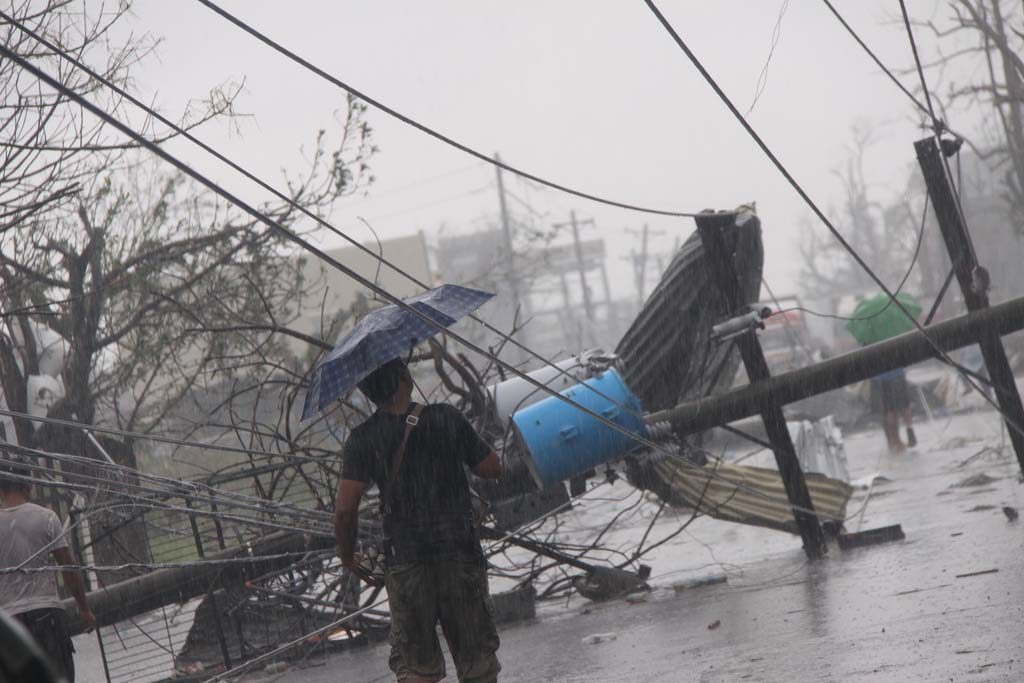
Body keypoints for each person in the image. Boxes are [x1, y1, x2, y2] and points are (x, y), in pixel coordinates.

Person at [334, 358, 502, 683]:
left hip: (406, 560)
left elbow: (345, 510)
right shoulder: (446, 418)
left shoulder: (362, 439)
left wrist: (346, 556)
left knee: (416, 667)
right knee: (477, 662)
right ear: (404, 378)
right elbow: (491, 468)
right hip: (459, 553)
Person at [0, 460, 96, 682]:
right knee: (58, 675)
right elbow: (68, 567)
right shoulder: (47, 517)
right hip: (47, 615)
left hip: (10, 620)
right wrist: (84, 608)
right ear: (29, 487)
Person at [871, 367, 917, 454]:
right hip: (898, 374)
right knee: (905, 406)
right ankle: (909, 431)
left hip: (883, 378)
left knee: (890, 411)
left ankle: (894, 441)